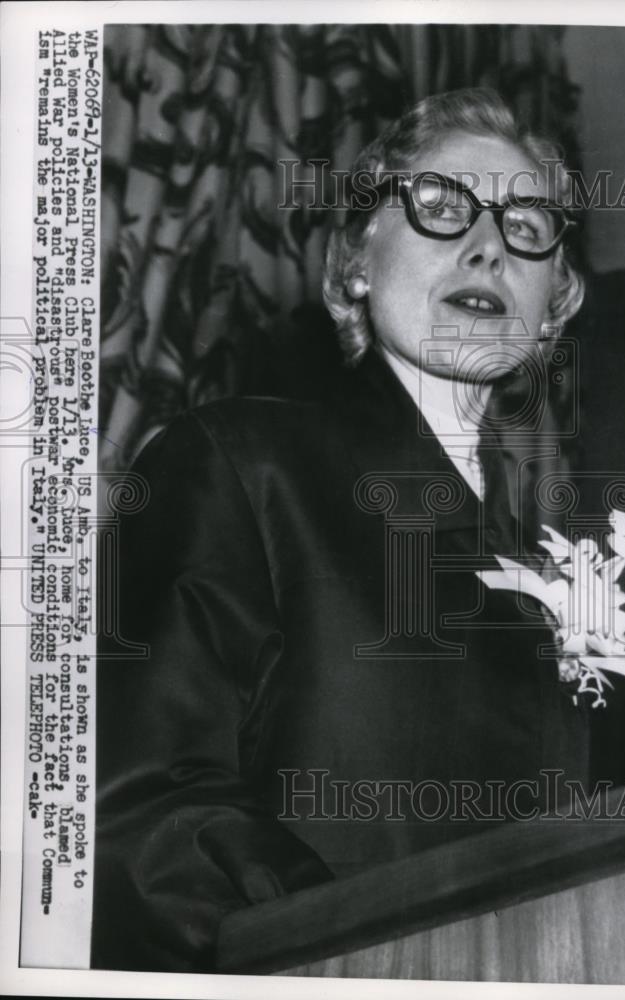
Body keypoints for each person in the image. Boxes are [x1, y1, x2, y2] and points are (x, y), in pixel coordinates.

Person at [92, 88, 587, 973]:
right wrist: (366, 958)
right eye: (440, 208)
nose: (487, 246)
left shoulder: (577, 548)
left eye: (527, 226)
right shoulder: (241, 462)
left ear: (553, 302)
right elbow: (149, 813)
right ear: (356, 260)